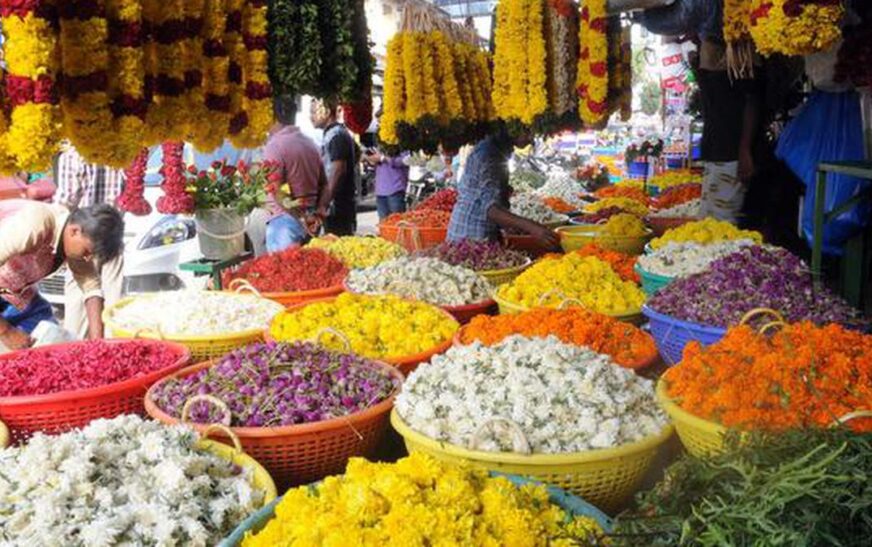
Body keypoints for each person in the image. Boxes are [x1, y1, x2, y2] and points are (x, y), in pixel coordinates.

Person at [0, 200, 124, 350]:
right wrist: (7, 332)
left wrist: (96, 346)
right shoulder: (36, 223)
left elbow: (91, 287)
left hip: (14, 294)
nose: (88, 259)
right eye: (87, 252)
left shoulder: (73, 240)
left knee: (50, 350)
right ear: (74, 231)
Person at [54, 144, 127, 338]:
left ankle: (75, 355)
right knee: (113, 303)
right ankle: (114, 351)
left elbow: (65, 202)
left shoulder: (72, 154)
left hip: (82, 240)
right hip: (112, 238)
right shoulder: (120, 148)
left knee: (77, 308)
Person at [447, 126, 561, 248]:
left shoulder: (497, 150)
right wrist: (532, 227)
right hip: (471, 235)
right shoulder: (489, 154)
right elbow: (491, 210)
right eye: (527, 132)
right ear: (510, 128)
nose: (531, 140)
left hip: (478, 231)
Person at [696, 38, 764, 224]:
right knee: (708, 221)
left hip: (733, 155)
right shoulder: (707, 55)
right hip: (715, 151)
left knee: (722, 221)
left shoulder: (741, 55)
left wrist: (745, 150)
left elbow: (751, 102)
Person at [262, 96, 325, 251]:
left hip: (284, 223)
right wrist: (315, 214)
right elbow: (324, 184)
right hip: (310, 221)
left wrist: (301, 217)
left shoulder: (275, 146)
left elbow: (275, 190)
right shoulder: (310, 144)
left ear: (273, 116)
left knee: (284, 272)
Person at [311, 99, 358, 235]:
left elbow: (338, 170)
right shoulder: (334, 133)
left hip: (338, 207)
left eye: (314, 112)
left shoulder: (336, 135)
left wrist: (324, 203)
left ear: (326, 112)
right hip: (336, 205)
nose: (311, 117)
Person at [363, 148, 409, 221]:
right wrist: (371, 159)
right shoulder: (379, 146)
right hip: (380, 190)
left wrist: (383, 158)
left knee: (397, 222)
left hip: (395, 189)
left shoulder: (402, 146)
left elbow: (403, 161)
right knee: (383, 223)